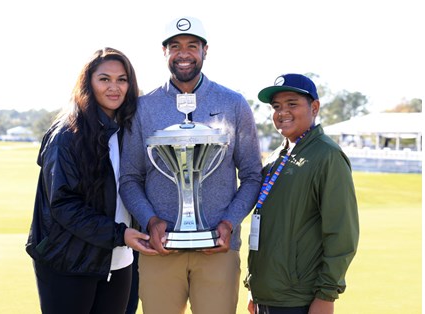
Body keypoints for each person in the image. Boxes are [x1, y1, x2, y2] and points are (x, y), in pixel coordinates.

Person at [119, 16, 262, 314]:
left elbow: (251, 176)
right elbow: (130, 178)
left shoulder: (234, 103)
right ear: (164, 52)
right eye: (175, 46)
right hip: (160, 247)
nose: (183, 53)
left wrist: (228, 223)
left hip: (218, 247)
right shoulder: (142, 107)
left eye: (192, 46)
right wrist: (150, 221)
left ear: (205, 50)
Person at [25, 47, 158, 314]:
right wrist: (120, 234)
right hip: (69, 261)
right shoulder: (67, 134)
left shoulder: (127, 131)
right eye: (104, 79)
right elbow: (63, 205)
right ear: (89, 82)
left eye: (122, 79)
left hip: (120, 261)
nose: (114, 87)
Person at [245, 73, 360, 314]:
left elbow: (341, 232)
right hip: (266, 295)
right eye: (276, 106)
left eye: (292, 104)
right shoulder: (279, 154)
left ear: (314, 107)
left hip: (299, 300)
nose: (282, 112)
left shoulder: (327, 156)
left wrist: (327, 296)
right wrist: (254, 286)